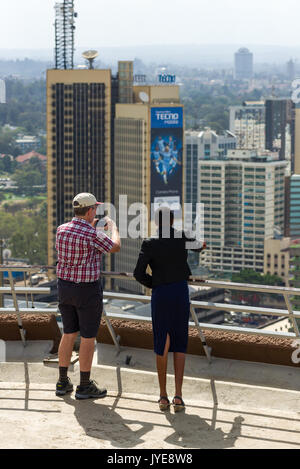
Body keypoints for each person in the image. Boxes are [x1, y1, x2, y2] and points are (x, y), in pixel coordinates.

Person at [133, 207, 206, 412]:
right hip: (180, 292)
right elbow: (200, 246)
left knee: (161, 341)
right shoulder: (181, 236)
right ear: (173, 221)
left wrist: (154, 283)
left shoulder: (150, 242)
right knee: (180, 342)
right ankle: (178, 397)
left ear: (156, 222)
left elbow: (138, 273)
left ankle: (163, 396)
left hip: (161, 294)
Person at [55, 192, 121, 399]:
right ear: (91, 210)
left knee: (68, 333)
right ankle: (84, 385)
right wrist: (113, 229)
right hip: (87, 291)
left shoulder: (61, 229)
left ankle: (62, 381)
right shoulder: (92, 234)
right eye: (95, 209)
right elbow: (115, 247)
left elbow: (79, 242)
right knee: (88, 337)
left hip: (65, 287)